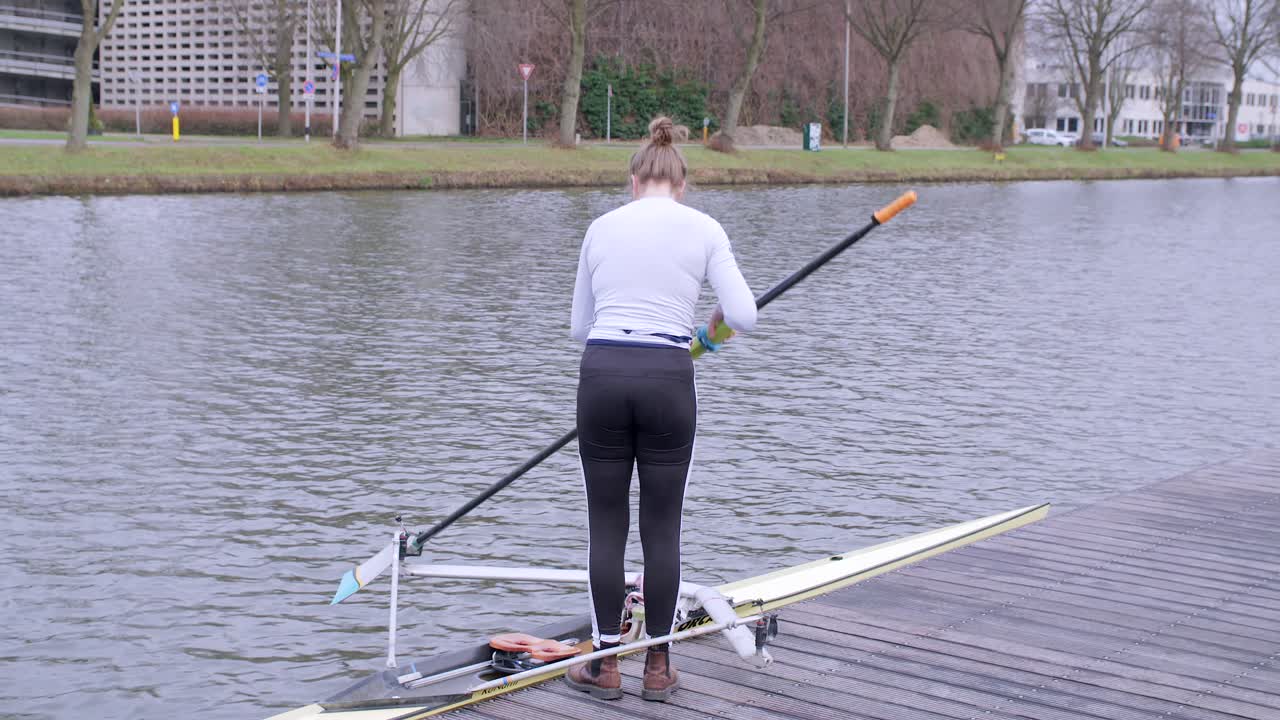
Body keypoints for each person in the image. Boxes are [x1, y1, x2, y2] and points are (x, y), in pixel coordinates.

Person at [564, 116, 757, 702]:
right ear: (681, 184)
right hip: (669, 377)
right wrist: (714, 326)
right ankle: (657, 666)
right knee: (662, 525)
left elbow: (578, 328)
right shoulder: (704, 229)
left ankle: (605, 664)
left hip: (601, 373)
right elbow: (744, 315)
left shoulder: (600, 228)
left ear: (633, 181)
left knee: (606, 522)